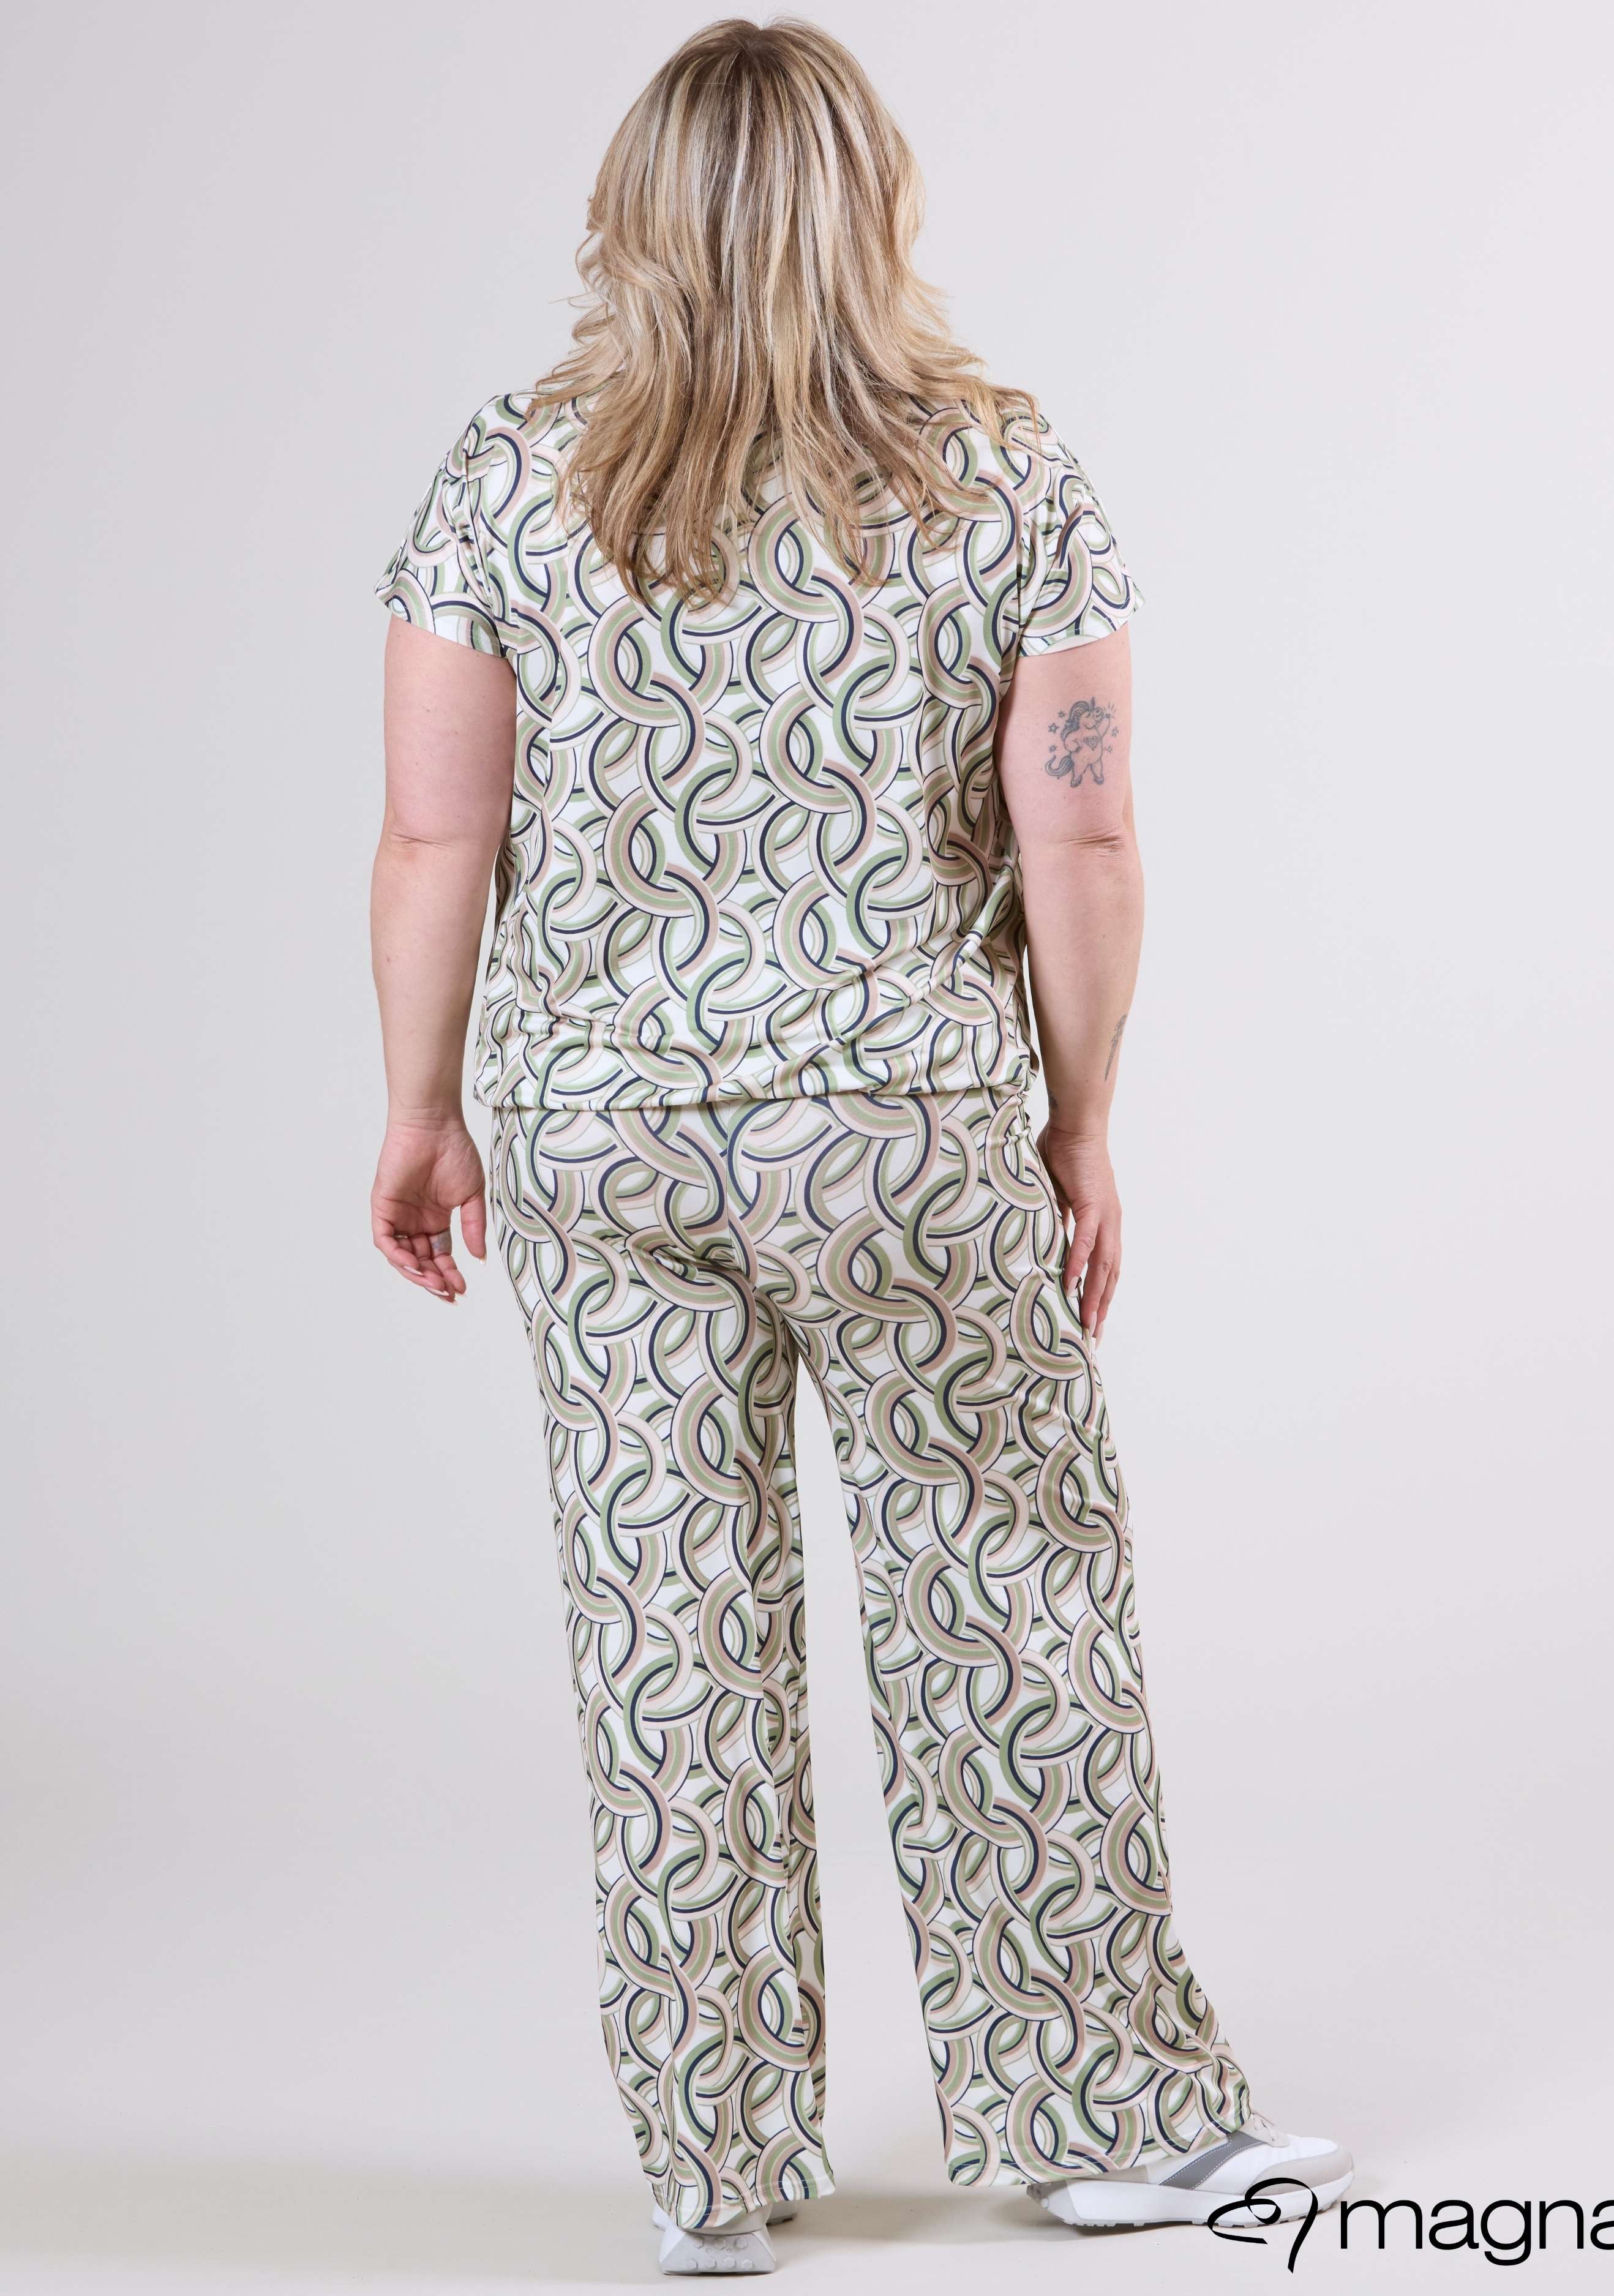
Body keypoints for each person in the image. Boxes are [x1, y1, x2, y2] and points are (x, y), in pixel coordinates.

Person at [369, 17, 1349, 2276]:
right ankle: (1105, 2122)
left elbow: (435, 836)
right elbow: (1081, 833)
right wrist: (1079, 1119)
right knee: (1004, 1595)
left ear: (634, 214)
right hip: (905, 1128)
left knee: (667, 1628)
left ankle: (712, 2171)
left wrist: (423, 1110)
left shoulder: (503, 478)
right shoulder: (1006, 473)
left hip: (607, 1135)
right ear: (873, 204)